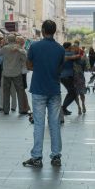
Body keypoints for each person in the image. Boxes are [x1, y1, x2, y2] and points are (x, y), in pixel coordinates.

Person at [22, 20, 65, 168]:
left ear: (42, 30)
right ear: (54, 31)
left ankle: (37, 157)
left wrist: (38, 68)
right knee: (54, 124)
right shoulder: (60, 49)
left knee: (39, 124)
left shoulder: (34, 46)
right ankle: (56, 156)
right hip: (54, 89)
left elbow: (28, 65)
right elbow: (60, 69)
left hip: (38, 89)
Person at [0, 35, 30, 115]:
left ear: (8, 40)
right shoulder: (18, 48)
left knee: (6, 92)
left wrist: (0, 47)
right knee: (20, 91)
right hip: (17, 73)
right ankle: (21, 109)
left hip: (6, 73)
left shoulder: (5, 48)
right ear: (15, 40)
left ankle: (6, 110)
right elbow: (25, 58)